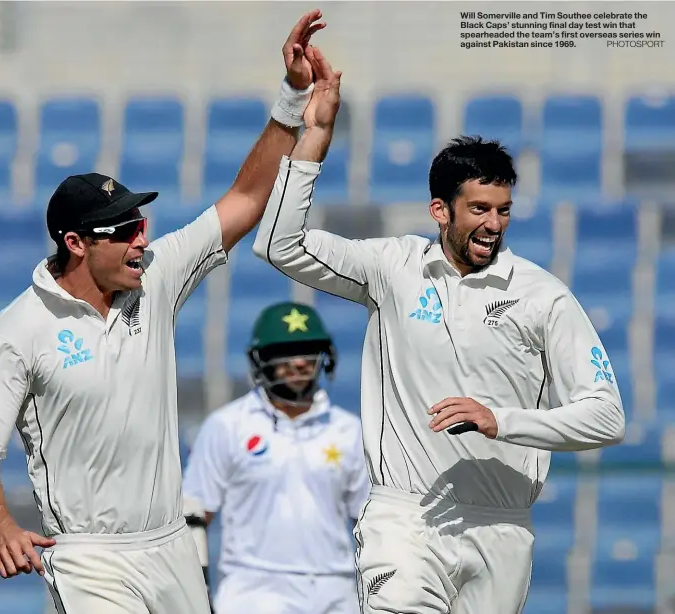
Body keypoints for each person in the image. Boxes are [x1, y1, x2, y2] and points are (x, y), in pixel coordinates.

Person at [0, 11, 328, 614]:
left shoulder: (155, 276)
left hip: (171, 546)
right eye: (124, 229)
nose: (141, 239)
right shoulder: (17, 330)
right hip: (88, 556)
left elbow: (245, 199)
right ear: (76, 243)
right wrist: (0, 525)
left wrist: (290, 98)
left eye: (142, 224)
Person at [251, 46, 625, 614]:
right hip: (406, 516)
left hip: (503, 527)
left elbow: (607, 416)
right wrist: (313, 141)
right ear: (440, 210)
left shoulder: (543, 295)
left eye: (502, 210)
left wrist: (502, 421)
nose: (493, 225)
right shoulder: (392, 268)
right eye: (479, 209)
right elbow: (279, 244)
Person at [182, 301, 369, 614]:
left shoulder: (349, 431)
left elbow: (370, 520)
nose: (297, 363)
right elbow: (195, 514)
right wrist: (196, 591)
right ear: (262, 359)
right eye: (284, 352)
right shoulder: (227, 426)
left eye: (307, 351)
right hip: (253, 588)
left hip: (336, 589)